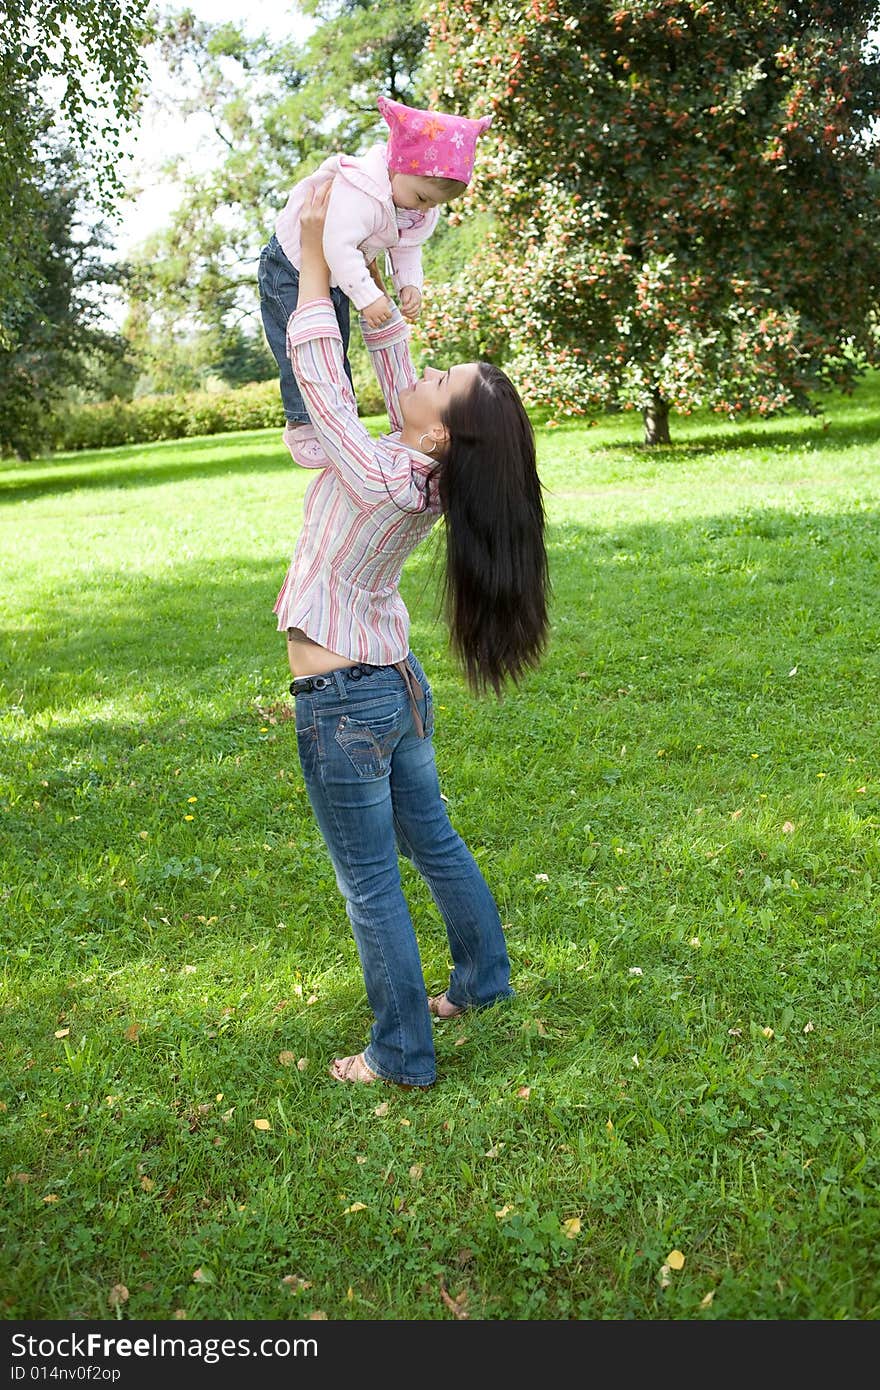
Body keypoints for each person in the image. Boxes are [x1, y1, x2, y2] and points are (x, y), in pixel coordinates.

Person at [277, 177, 548, 1090]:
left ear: (442, 434)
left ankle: (399, 1054)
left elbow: (322, 384)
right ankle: (483, 980)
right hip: (389, 686)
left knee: (372, 883)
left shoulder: (386, 474)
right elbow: (394, 371)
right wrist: (383, 295)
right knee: (432, 843)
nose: (425, 375)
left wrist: (316, 265)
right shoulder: (424, 468)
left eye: (441, 383)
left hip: (346, 700)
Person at [258, 94, 493, 468]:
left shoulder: (411, 202)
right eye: (420, 197)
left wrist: (409, 285)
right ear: (398, 166)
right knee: (301, 343)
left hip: (339, 275)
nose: (422, 208)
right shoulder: (361, 190)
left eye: (432, 204)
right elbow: (335, 244)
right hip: (290, 265)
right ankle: (302, 421)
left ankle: (336, 421)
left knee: (335, 349)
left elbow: (407, 245)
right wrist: (367, 296)